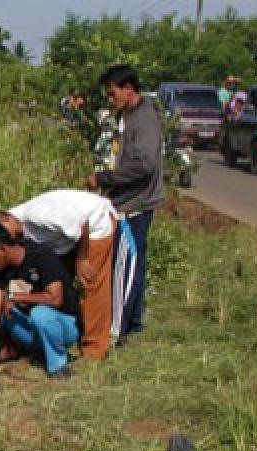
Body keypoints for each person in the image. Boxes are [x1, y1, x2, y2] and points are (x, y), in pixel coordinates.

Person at [85, 64, 163, 340]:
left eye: (112, 93)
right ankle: (132, 326)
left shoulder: (144, 119)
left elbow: (145, 165)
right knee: (134, 268)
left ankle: (116, 331)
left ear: (129, 89)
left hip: (134, 207)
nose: (110, 99)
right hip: (128, 203)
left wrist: (105, 178)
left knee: (124, 271)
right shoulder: (128, 116)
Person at [0, 190, 117, 360]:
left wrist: (80, 259)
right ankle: (56, 336)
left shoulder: (40, 216)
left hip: (94, 226)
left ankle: (95, 349)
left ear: (8, 219)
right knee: (57, 285)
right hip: (65, 241)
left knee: (90, 284)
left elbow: (82, 224)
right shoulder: (12, 230)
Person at [0, 222, 81, 379]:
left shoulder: (41, 255)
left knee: (40, 314)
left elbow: (55, 298)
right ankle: (7, 350)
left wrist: (18, 298)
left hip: (63, 326)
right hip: (29, 327)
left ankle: (59, 367)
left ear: (2, 250)